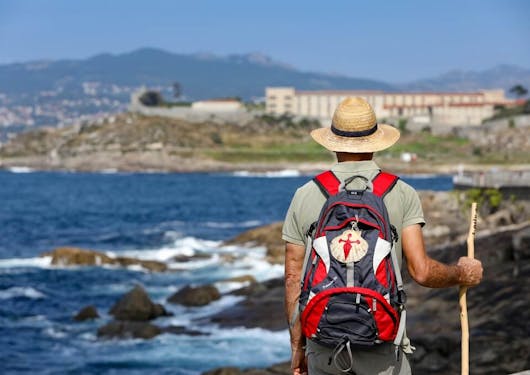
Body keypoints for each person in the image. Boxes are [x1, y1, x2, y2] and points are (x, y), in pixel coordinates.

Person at [282, 97, 483, 375]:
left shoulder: (305, 195)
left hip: (323, 343)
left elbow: (294, 278)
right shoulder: (401, 193)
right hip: (382, 344)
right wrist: (462, 273)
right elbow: (421, 272)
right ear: (377, 142)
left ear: (332, 143)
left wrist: (298, 347)